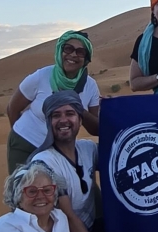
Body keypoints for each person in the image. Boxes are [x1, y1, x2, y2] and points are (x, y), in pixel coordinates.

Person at [34, 92, 158, 232]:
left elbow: (125, 159)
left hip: (86, 229)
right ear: (48, 121)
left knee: (131, 230)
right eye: (56, 115)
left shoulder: (86, 149)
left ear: (80, 119)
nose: (63, 120)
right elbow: (67, 217)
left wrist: (115, 112)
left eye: (70, 113)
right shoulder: (45, 163)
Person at [6, 31, 101, 173]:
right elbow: (12, 108)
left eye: (80, 52)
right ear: (60, 51)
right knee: (25, 185)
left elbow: (95, 129)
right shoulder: (41, 76)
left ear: (86, 58)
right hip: (26, 144)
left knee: (71, 186)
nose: (73, 55)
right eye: (68, 49)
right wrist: (22, 134)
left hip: (61, 151)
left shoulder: (90, 86)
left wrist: (78, 108)